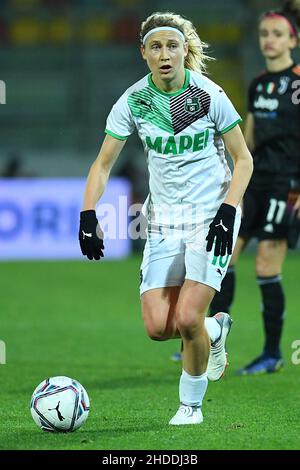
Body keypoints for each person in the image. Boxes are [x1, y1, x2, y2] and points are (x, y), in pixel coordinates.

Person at [79, 11, 253, 425]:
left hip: (213, 216)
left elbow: (243, 159)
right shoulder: (133, 101)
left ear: (184, 50)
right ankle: (215, 332)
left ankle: (190, 407)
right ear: (143, 53)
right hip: (162, 222)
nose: (164, 54)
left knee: (188, 317)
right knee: (160, 327)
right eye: (155, 46)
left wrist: (228, 211)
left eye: (172, 45)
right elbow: (103, 164)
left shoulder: (210, 95)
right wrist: (88, 213)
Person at [209, 0, 300, 375]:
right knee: (224, 257)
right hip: (255, 182)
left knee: (265, 264)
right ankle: (212, 339)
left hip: (287, 184)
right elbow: (247, 135)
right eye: (264, 34)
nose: (269, 40)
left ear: (293, 40)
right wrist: (233, 180)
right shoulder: (258, 83)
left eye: (277, 34)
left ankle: (271, 352)